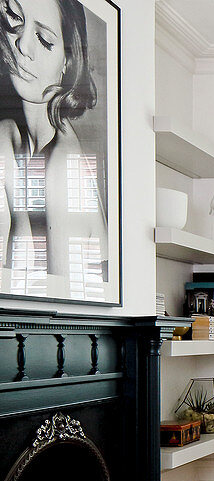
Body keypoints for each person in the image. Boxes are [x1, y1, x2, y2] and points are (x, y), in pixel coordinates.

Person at [0, 0, 105, 294]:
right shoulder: (10, 137)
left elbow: (66, 308)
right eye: (16, 20)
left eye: (44, 40)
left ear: (67, 64)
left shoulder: (62, 164)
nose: (22, 44)